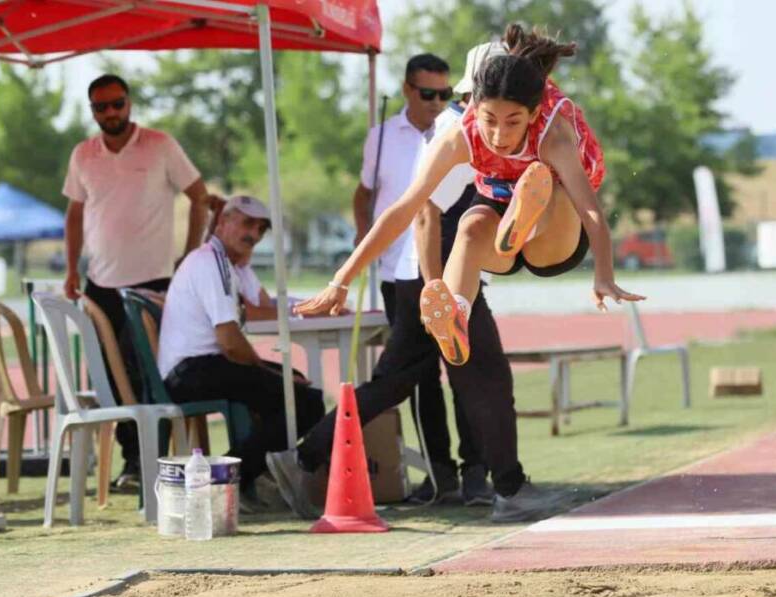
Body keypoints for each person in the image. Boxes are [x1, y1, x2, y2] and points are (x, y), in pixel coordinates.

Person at [296, 25, 644, 518]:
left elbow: (590, 213)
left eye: (511, 121)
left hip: (536, 240)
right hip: (449, 259)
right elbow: (412, 213)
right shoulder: (457, 133)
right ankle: (454, 318)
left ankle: (491, 481)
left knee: (453, 370)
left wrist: (602, 272)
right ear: (472, 98)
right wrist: (356, 280)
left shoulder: (543, 128)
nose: (499, 132)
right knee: (473, 235)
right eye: (486, 115)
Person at [61, 73, 221, 488]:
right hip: (101, 285)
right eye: (101, 107)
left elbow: (199, 196)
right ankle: (135, 464)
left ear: (129, 103)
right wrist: (69, 271)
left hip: (155, 283)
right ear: (92, 110)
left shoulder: (160, 144)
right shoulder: (82, 154)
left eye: (117, 103)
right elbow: (75, 214)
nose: (110, 112)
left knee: (155, 374)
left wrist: (189, 257)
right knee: (114, 381)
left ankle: (160, 464)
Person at [353, 52, 487, 502]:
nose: (435, 101)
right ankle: (439, 473)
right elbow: (365, 195)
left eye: (443, 93)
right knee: (419, 381)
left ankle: (475, 472)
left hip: (449, 266)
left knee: (462, 368)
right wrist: (365, 242)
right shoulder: (381, 138)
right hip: (398, 272)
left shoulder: (457, 129)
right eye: (427, 93)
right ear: (408, 90)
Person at [157, 195, 326, 509]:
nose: (254, 234)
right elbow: (230, 341)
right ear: (222, 222)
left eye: (261, 228)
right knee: (304, 402)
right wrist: (269, 372)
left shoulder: (228, 263)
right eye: (247, 223)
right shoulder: (213, 263)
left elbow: (260, 308)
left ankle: (246, 477)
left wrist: (308, 308)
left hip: (200, 365)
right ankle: (229, 479)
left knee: (296, 387)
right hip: (192, 369)